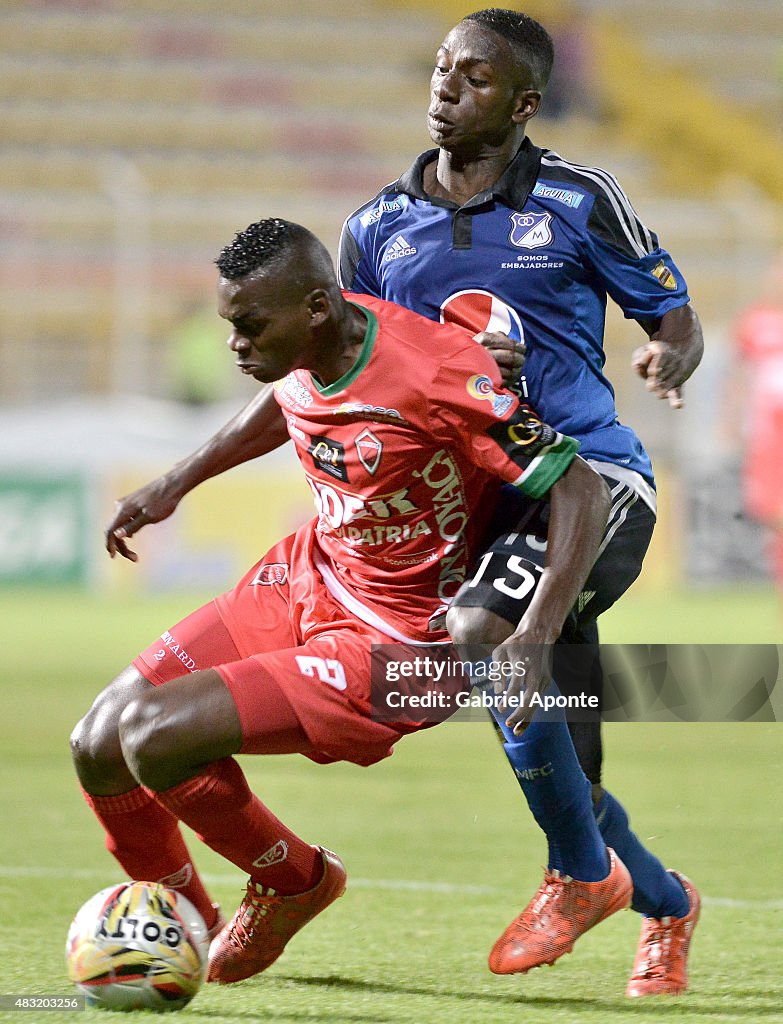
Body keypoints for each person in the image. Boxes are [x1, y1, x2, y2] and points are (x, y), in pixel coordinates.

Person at [99, 10, 704, 996]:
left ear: (523, 102)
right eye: (439, 67)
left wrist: (670, 350)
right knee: (562, 758)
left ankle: (579, 876)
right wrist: (176, 479)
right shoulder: (379, 227)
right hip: (489, 501)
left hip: (587, 477)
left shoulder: (579, 199)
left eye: (473, 75)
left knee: (492, 634)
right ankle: (664, 900)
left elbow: (670, 311)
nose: (445, 86)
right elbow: (330, 371)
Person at [72, 218, 622, 986]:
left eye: (250, 326)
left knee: (154, 737)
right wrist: (174, 483)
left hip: (397, 645)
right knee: (97, 744)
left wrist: (532, 633)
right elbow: (287, 401)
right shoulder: (305, 350)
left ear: (317, 308)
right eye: (229, 324)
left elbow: (577, 484)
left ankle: (294, 883)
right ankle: (184, 932)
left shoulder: (429, 375)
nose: (235, 343)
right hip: (308, 574)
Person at [733, 256, 783, 600]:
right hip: (767, 432)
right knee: (766, 508)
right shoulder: (753, 323)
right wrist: (732, 420)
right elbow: (738, 379)